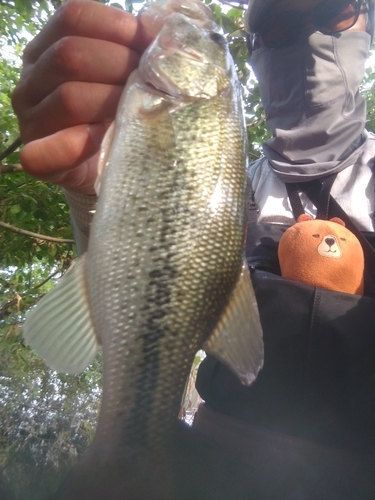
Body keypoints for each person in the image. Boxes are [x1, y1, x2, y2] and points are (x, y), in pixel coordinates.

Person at [11, 0, 375, 498]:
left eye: (334, 12)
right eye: (278, 22)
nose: (306, 39)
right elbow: (148, 281)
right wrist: (92, 199)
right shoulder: (239, 181)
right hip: (203, 467)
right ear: (254, 53)